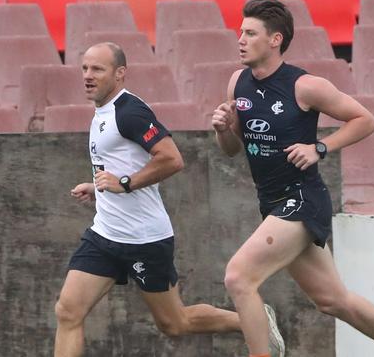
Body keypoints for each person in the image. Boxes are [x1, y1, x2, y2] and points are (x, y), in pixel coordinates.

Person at [212, 0, 374, 357]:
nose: (240, 39)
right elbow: (231, 149)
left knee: (239, 277)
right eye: (241, 31)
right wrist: (224, 129)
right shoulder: (237, 82)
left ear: (275, 40)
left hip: (302, 199)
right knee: (334, 301)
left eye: (250, 33)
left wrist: (319, 147)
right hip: (272, 202)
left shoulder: (305, 86)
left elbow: (365, 119)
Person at [54, 42, 284, 357]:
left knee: (175, 323)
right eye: (84, 68)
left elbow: (172, 159)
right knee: (68, 311)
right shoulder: (102, 113)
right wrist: (99, 187)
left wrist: (125, 183)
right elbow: (122, 163)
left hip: (143, 239)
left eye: (97, 69)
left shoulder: (130, 111)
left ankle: (253, 319)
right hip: (104, 234)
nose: (88, 76)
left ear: (120, 74)